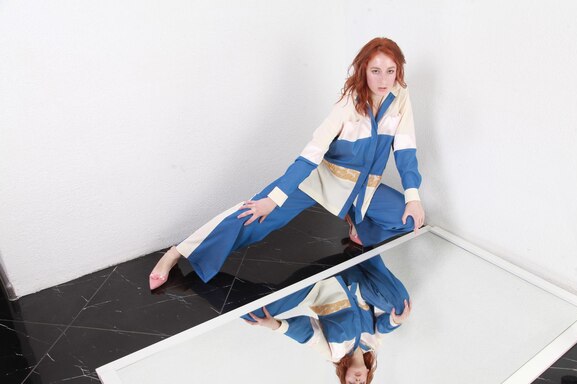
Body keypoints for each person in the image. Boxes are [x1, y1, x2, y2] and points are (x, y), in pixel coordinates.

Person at [149, 37, 425, 290]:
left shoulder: (400, 96)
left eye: (391, 70)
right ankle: (178, 252)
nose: (384, 79)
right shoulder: (346, 107)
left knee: (409, 219)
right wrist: (275, 199)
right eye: (376, 70)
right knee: (253, 215)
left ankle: (356, 222)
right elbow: (309, 157)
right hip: (321, 178)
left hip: (363, 188)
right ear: (363, 70)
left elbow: (405, 149)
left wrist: (413, 196)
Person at [243, 255, 412, 384]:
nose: (357, 380)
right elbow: (384, 325)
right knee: (400, 306)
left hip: (320, 286)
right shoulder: (373, 343)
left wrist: (274, 325)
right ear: (368, 373)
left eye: (352, 382)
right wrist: (397, 321)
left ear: (345, 375)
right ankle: (367, 248)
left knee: (253, 314)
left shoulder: (335, 353)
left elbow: (309, 335)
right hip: (354, 279)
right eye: (361, 383)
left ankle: (220, 282)